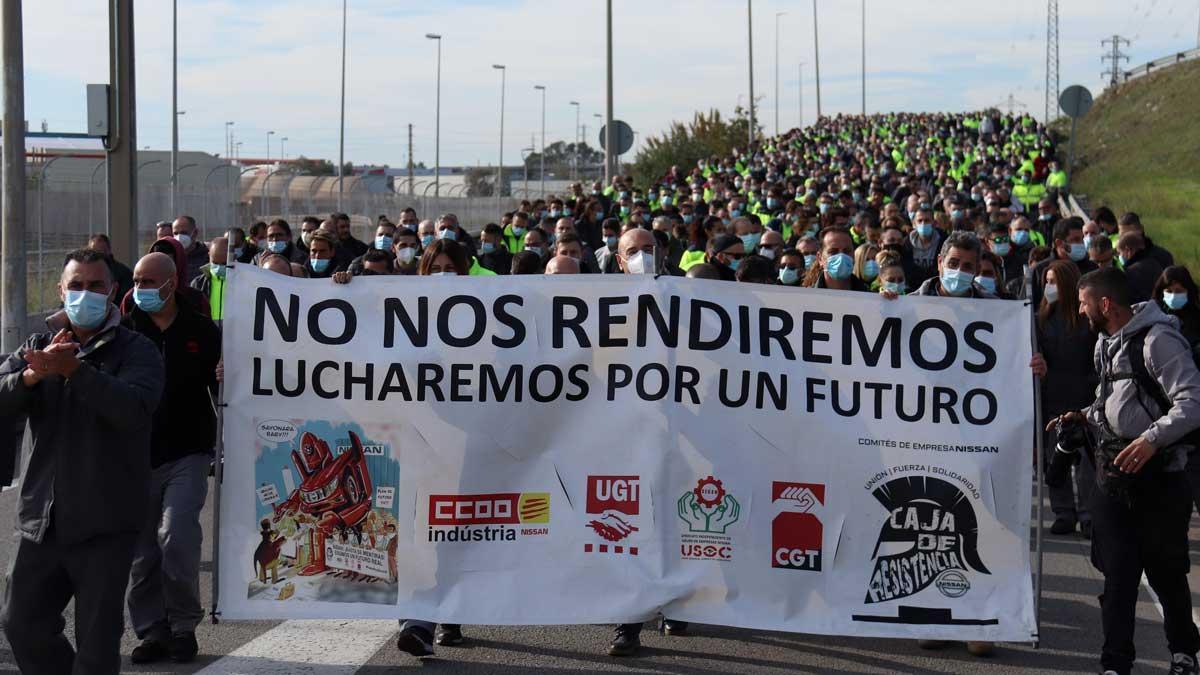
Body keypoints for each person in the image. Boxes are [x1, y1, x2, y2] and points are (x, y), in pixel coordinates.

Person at [0, 249, 165, 675]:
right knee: (20, 623)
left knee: (96, 648)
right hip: (42, 520)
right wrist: (31, 377)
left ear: (113, 291)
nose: (84, 294)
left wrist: (77, 371)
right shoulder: (39, 344)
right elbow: (3, 391)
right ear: (60, 290)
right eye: (76, 286)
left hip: (104, 524)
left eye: (95, 286)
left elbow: (134, 408)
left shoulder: (137, 349)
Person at [1051, 267, 1200, 675]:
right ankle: (1115, 663)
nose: (1080, 312)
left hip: (1162, 481)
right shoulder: (1105, 344)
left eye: (1083, 305)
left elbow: (1192, 402)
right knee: (1117, 578)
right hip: (1113, 480)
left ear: (1104, 304)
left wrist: (1152, 439)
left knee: (1167, 574)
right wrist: (1082, 416)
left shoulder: (1159, 341)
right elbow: (1109, 399)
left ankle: (1184, 654)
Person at [123, 252, 220, 664]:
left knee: (176, 536)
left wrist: (223, 373)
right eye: (136, 280)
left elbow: (226, 382)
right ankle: (151, 632)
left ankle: (183, 625)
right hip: (135, 455)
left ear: (172, 282)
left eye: (149, 281)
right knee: (143, 552)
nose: (141, 289)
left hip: (188, 452)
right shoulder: (126, 331)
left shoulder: (202, 330)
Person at [396, 240, 474, 658]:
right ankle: (418, 620)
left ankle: (446, 613)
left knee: (448, 529)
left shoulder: (490, 315)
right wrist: (343, 289)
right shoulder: (404, 311)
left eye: (451, 267)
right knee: (415, 529)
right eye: (435, 266)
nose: (443, 274)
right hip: (412, 435)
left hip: (465, 437)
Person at [1029, 261, 1098, 538]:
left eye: (1054, 281)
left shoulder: (1088, 320)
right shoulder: (1039, 320)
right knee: (1054, 461)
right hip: (1052, 399)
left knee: (1087, 465)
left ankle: (1089, 516)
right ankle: (1063, 513)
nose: (1049, 287)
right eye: (1046, 280)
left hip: (1084, 398)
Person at [1153, 266, 1200, 514]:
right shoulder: (1155, 322)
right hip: (1165, 410)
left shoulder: (1196, 320)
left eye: (1178, 291)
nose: (1173, 296)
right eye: (1168, 291)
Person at [909, 231, 995, 298]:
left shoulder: (994, 307)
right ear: (940, 262)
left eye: (967, 266)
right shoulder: (911, 303)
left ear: (977, 270)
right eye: (953, 264)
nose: (959, 271)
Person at [802, 228, 872, 291]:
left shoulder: (871, 296)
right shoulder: (808, 298)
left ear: (853, 255)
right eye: (833, 251)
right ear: (820, 258)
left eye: (847, 251)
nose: (841, 256)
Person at [1116, 232, 1164, 304]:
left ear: (1128, 250)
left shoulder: (1131, 272)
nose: (1119, 256)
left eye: (1120, 252)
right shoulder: (1155, 263)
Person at [190, 237, 228, 325]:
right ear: (209, 255)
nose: (219, 267)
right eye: (215, 262)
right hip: (208, 334)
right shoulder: (198, 283)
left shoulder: (244, 282)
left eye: (224, 263)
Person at [86, 233, 135, 302]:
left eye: (101, 251)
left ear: (109, 251)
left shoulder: (124, 273)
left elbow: (126, 300)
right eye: (93, 251)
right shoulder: (84, 272)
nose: (97, 255)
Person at [172, 215, 210, 283]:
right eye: (176, 233)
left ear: (195, 233)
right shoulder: (170, 257)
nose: (179, 237)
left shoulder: (207, 256)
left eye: (184, 233)